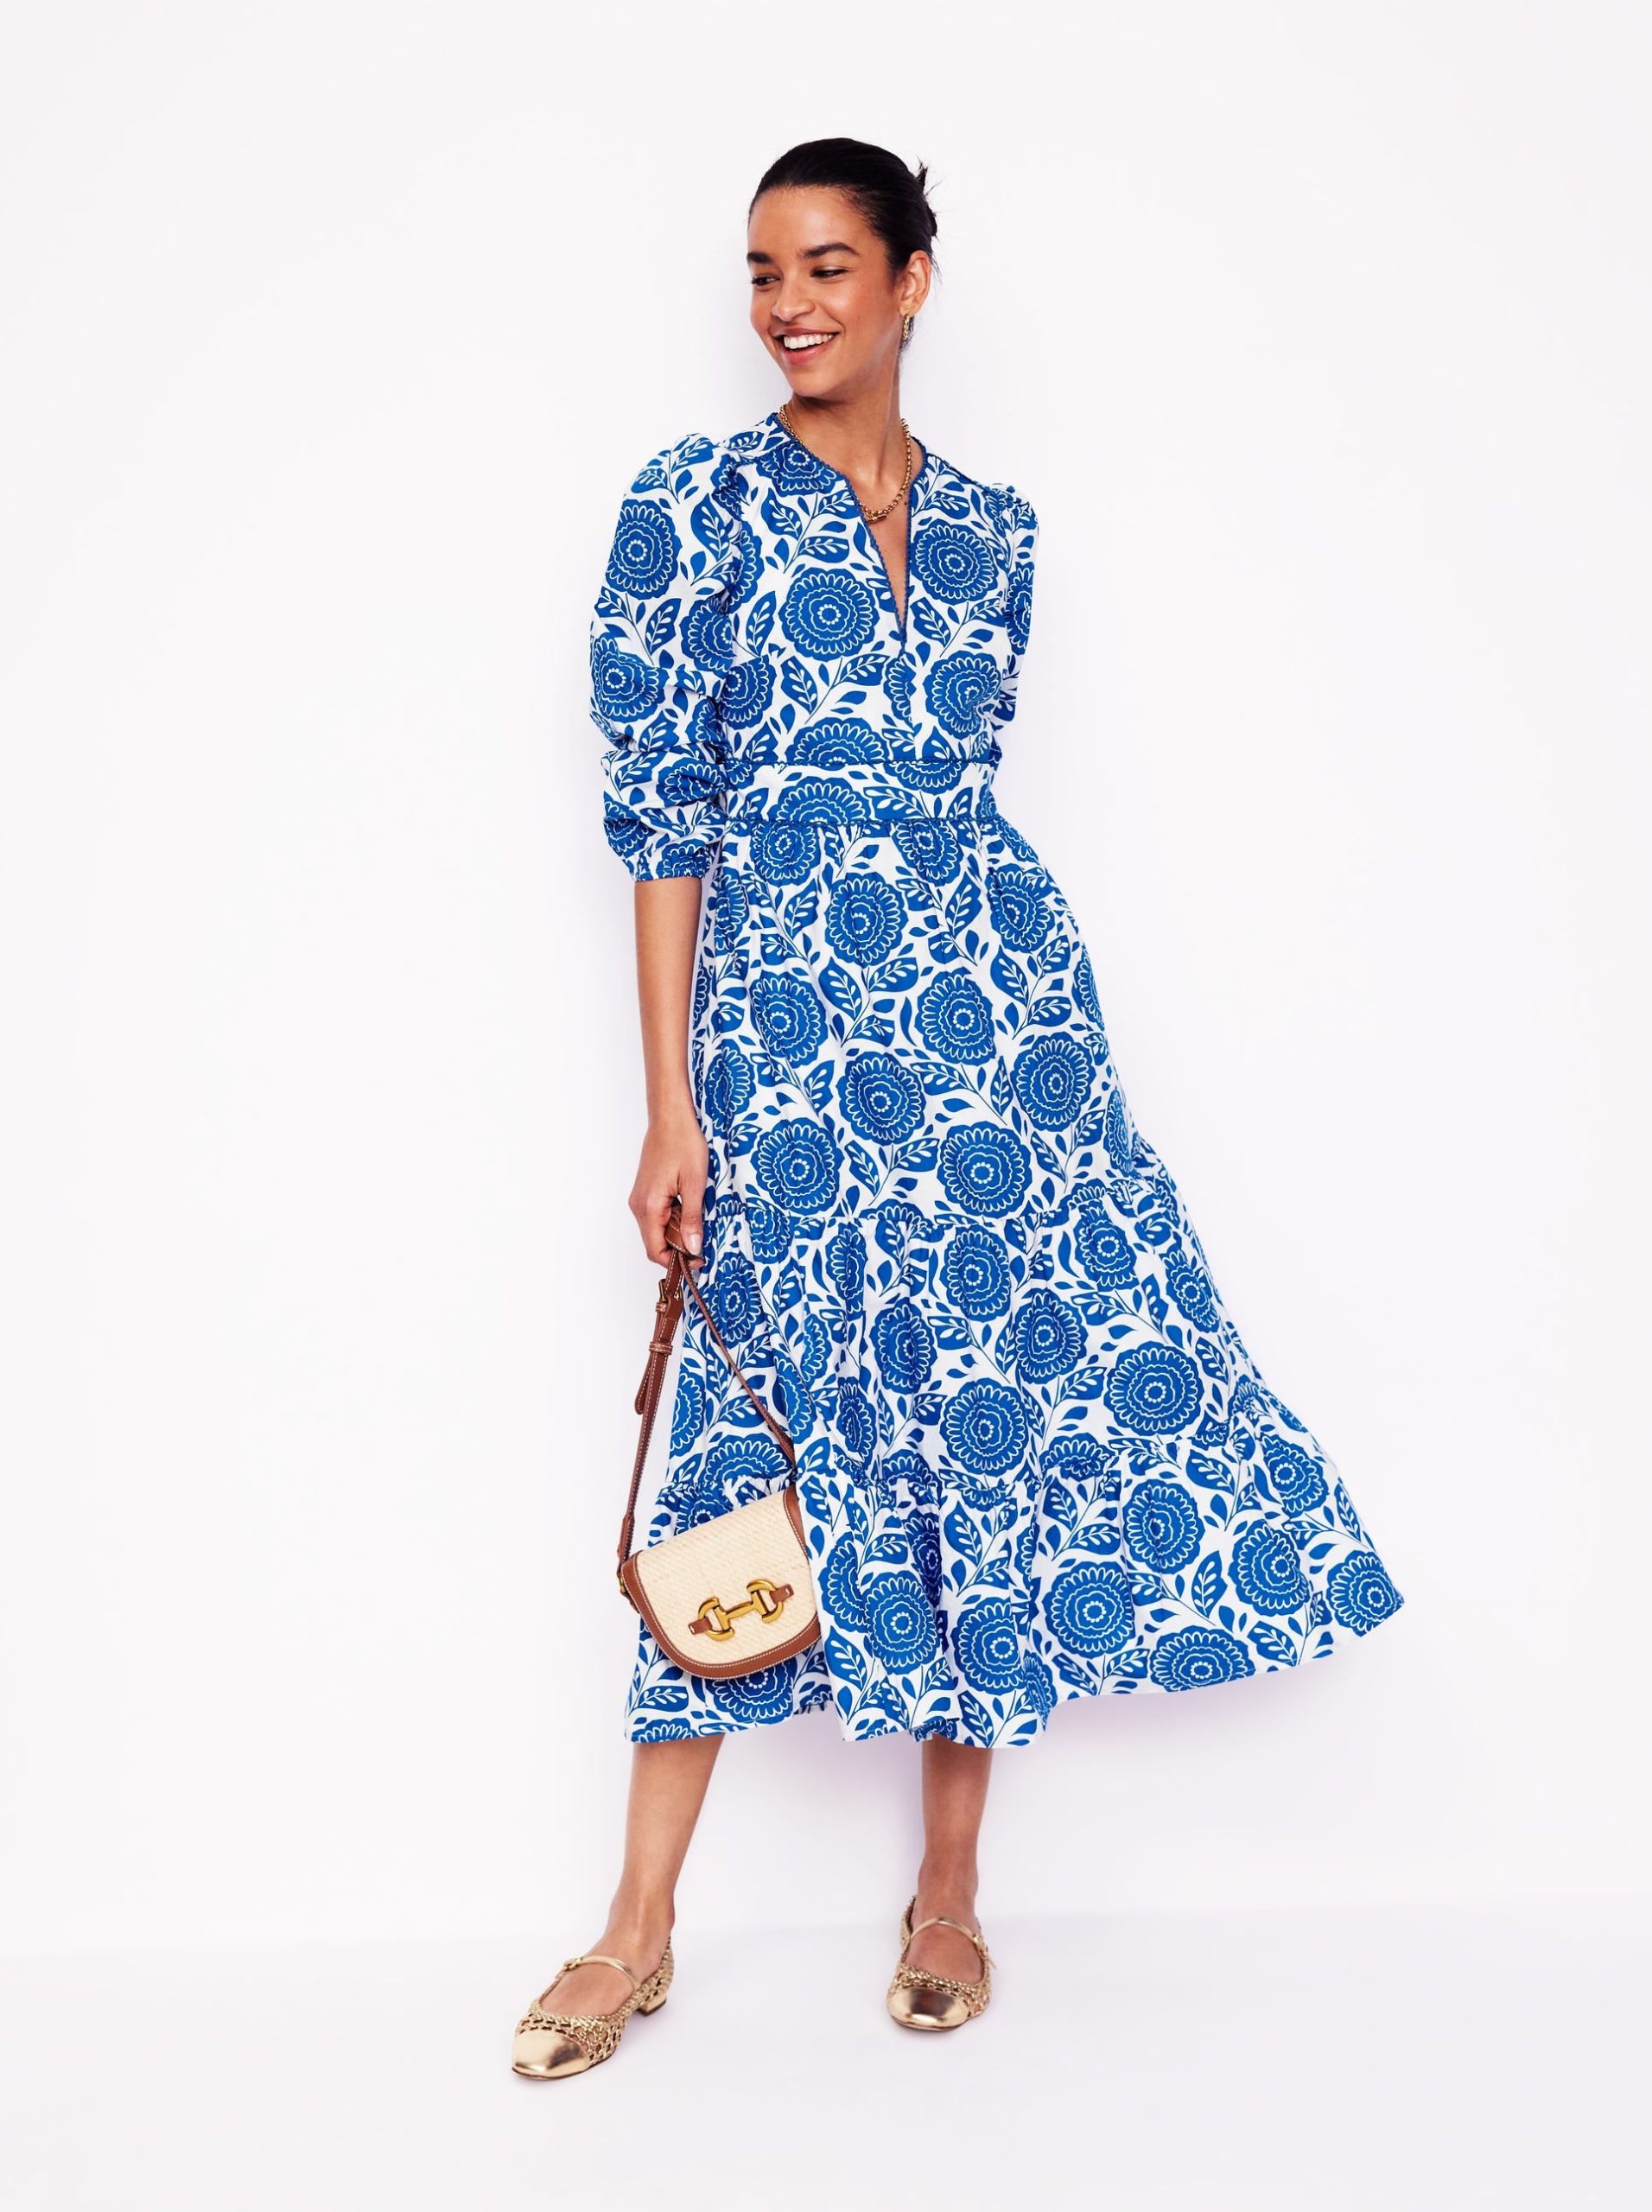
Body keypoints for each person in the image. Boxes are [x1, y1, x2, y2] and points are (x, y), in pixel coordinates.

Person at [511, 135, 1406, 2080]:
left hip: (1002, 1031)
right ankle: (635, 1923)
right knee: (737, 1440)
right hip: (788, 1040)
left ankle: (947, 1884)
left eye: (828, 265)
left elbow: (969, 790)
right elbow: (662, 817)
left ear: (913, 279)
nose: (789, 305)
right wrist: (671, 1104)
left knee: (977, 1412)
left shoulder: (1000, 530)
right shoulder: (690, 506)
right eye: (765, 273)